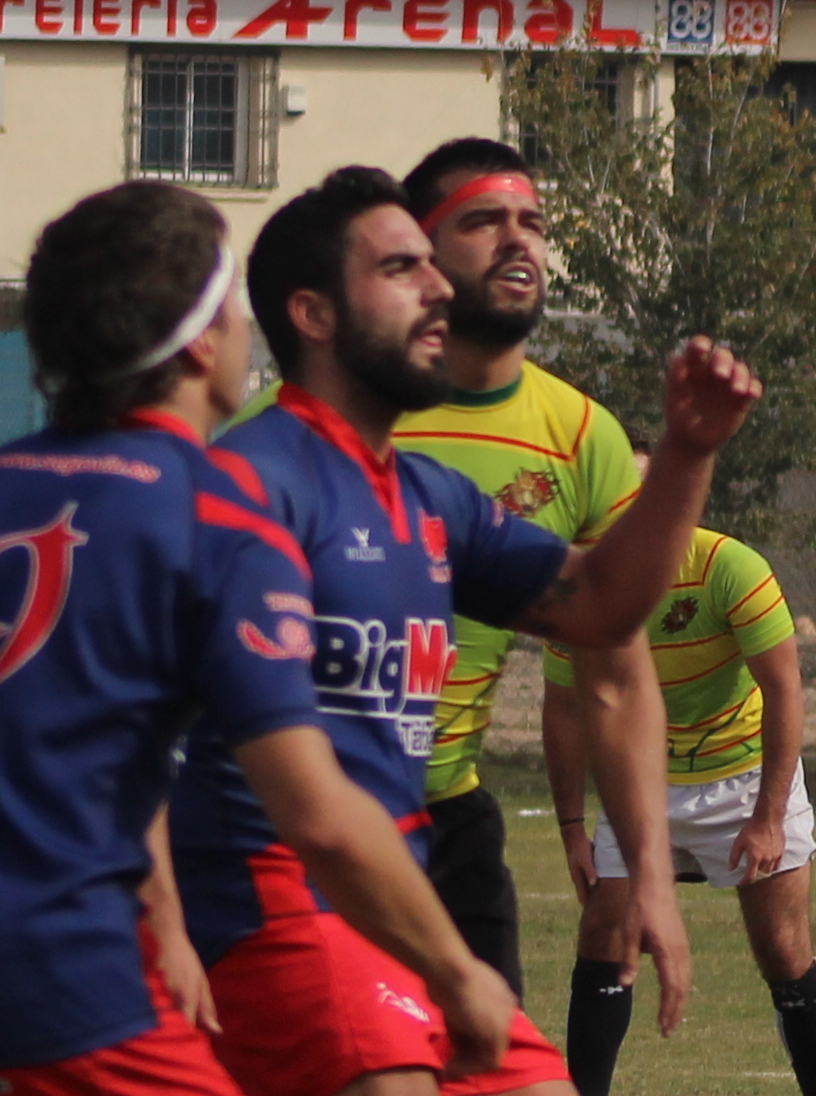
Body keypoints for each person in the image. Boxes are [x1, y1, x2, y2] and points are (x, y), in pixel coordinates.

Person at [179, 166, 756, 1096]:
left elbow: (602, 610)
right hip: (273, 903)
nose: (438, 288)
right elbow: (298, 804)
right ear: (314, 315)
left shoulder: (425, 495)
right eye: (400, 268)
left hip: (397, 888)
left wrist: (687, 455)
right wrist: (455, 975)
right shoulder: (254, 482)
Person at [0, 182, 519, 1096]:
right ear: (201, 342)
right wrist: (459, 976)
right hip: (74, 996)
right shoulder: (217, 512)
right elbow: (318, 816)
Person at [388, 141, 687, 1090]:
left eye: (534, 223)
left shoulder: (581, 435)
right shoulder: (331, 419)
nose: (519, 241)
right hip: (295, 823)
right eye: (484, 220)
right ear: (417, 253)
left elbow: (615, 674)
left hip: (449, 820)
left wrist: (650, 876)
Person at [570, 524, 816, 1096]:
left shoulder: (728, 567)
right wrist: (572, 828)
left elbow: (784, 688)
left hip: (745, 774)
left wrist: (768, 818)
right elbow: (563, 707)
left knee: (784, 949)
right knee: (605, 932)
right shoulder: (585, 579)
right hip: (642, 779)